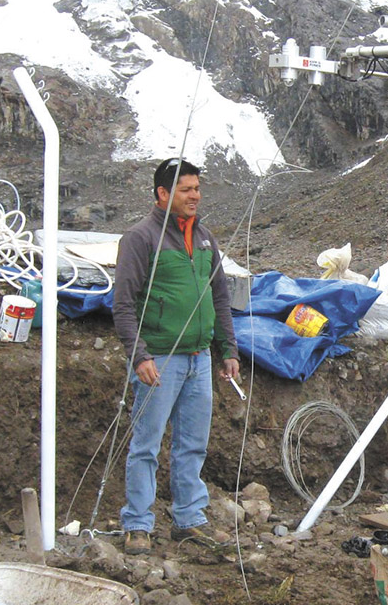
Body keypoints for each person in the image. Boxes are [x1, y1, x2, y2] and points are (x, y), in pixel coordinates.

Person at [113, 158, 240, 555]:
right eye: (186, 190)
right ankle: (137, 523)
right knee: (146, 445)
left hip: (199, 359)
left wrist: (228, 349)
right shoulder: (140, 238)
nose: (195, 196)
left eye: (197, 189)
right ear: (163, 194)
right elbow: (122, 305)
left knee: (192, 444)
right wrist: (140, 356)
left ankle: (189, 519)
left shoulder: (204, 238)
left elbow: (219, 296)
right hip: (160, 360)